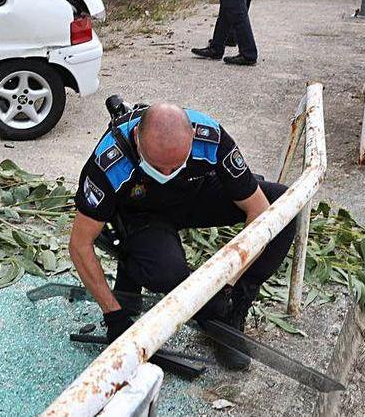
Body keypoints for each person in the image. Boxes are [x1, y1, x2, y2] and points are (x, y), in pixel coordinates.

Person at [67, 102, 296, 370]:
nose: (166, 174)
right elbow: (80, 245)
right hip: (143, 212)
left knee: (284, 206)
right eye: (157, 166)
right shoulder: (110, 162)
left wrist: (226, 283)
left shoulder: (210, 138)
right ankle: (132, 266)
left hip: (192, 194)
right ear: (138, 139)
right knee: (166, 273)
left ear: (190, 142)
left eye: (174, 165)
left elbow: (259, 210)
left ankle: (229, 312)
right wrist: (113, 314)